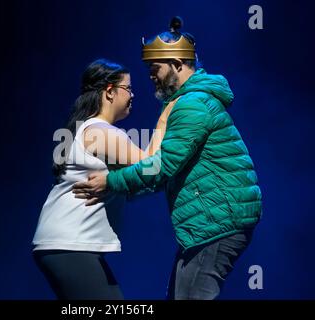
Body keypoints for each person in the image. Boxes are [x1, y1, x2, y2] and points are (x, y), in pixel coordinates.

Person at [72, 17, 263, 300]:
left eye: (155, 68)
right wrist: (126, 188)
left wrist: (111, 182)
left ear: (177, 64)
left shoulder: (192, 105)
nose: (151, 75)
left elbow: (162, 166)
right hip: (209, 222)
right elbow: (168, 171)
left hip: (216, 223)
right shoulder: (186, 103)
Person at [31, 59, 171, 300]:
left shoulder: (89, 129)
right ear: (109, 92)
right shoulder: (99, 131)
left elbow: (139, 183)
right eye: (128, 88)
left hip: (65, 245)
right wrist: (165, 118)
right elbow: (151, 166)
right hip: (69, 244)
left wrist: (115, 182)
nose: (133, 95)